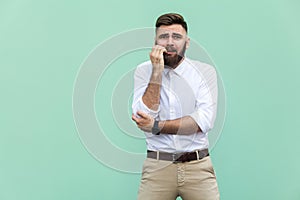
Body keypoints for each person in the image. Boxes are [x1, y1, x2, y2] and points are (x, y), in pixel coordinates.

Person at [132, 13, 220, 200]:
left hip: (198, 166)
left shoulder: (204, 72)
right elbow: (143, 116)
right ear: (155, 41)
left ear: (186, 42)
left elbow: (203, 121)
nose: (170, 43)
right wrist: (156, 72)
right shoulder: (143, 70)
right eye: (164, 37)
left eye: (176, 37)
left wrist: (157, 126)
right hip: (157, 167)